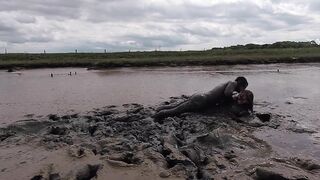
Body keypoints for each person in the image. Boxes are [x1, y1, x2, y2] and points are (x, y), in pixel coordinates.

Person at [154, 76, 249, 119]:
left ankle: (158, 109)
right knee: (175, 111)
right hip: (201, 100)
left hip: (200, 97)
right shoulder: (233, 83)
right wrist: (235, 96)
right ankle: (155, 116)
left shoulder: (229, 83)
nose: (241, 91)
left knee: (175, 106)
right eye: (243, 88)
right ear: (241, 83)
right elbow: (227, 93)